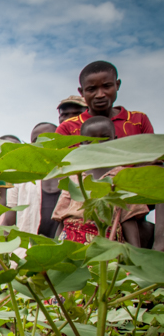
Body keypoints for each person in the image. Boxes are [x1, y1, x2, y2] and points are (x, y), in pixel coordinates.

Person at [52, 116, 146, 246]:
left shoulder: (123, 176)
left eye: (105, 138)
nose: (97, 145)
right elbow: (62, 219)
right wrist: (56, 250)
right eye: (90, 141)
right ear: (81, 145)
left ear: (115, 140)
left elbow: (129, 220)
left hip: (107, 244)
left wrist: (134, 255)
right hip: (71, 242)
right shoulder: (74, 176)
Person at [56, 61, 154, 137]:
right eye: (91, 89)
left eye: (107, 86)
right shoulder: (67, 128)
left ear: (117, 85)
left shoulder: (139, 120)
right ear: (81, 92)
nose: (100, 95)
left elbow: (154, 158)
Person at [31, 122, 62, 237]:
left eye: (49, 139)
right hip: (27, 250)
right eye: (36, 140)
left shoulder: (75, 178)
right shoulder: (20, 182)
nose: (42, 144)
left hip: (65, 248)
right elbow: (8, 222)